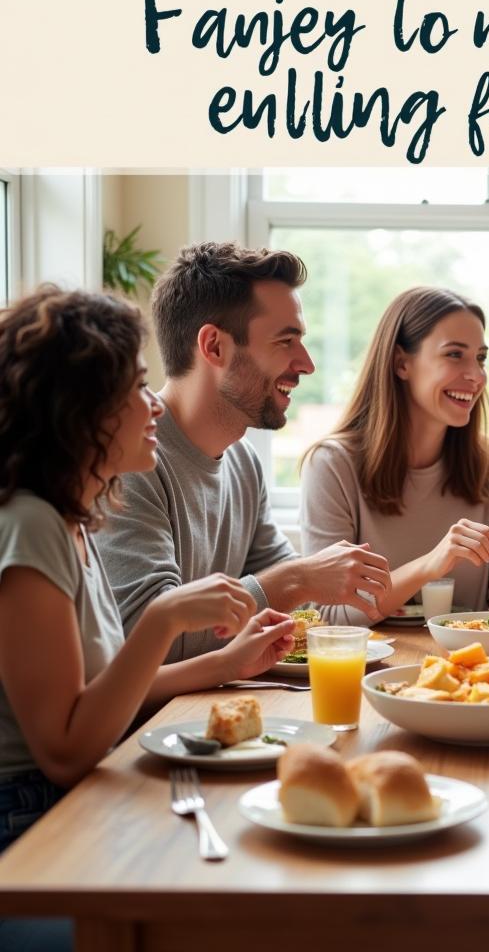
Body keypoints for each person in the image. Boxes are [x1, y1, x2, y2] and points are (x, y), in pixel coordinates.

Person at [0, 287, 295, 857]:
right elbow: (64, 753)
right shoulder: (30, 525)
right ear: (78, 407)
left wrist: (224, 663)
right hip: (28, 818)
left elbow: (97, 697)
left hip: (70, 797)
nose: (155, 403)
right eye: (136, 386)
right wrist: (162, 618)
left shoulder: (70, 520)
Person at [95, 242, 391, 658]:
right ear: (214, 346)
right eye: (286, 341)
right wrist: (296, 580)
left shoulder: (242, 460)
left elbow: (302, 604)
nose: (307, 363)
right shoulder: (131, 460)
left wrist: (314, 582)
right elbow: (143, 645)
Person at [300, 287, 489, 620]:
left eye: (480, 358)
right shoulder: (332, 465)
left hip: (469, 665)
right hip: (369, 668)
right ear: (401, 363)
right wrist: (428, 565)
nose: (476, 375)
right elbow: (331, 616)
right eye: (455, 354)